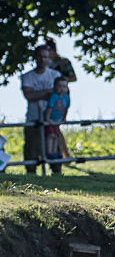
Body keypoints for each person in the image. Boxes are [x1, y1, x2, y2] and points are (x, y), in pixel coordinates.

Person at [21, 44, 61, 174]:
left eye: (45, 57)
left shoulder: (55, 75)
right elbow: (29, 96)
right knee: (31, 149)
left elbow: (61, 95)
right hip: (33, 119)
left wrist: (39, 94)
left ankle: (57, 174)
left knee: (54, 148)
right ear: (35, 58)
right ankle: (31, 175)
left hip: (51, 120)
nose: (43, 60)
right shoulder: (27, 76)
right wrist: (48, 92)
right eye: (40, 56)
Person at [42, 76, 70, 173]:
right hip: (51, 120)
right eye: (60, 86)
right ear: (55, 87)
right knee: (51, 135)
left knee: (56, 136)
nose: (62, 88)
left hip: (57, 120)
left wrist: (64, 118)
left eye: (64, 86)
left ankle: (55, 152)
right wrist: (48, 119)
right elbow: (50, 108)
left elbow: (66, 108)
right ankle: (50, 152)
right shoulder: (54, 97)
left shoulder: (66, 97)